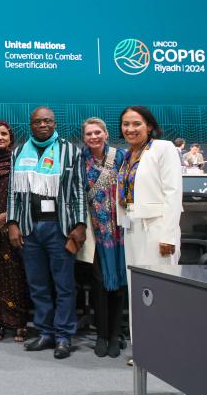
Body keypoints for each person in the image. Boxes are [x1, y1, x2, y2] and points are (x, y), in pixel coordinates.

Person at [7, 107, 86, 360]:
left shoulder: (70, 151)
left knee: (64, 286)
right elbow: (12, 192)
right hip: (30, 228)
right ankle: (45, 332)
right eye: (38, 121)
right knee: (38, 285)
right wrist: (12, 223)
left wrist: (80, 224)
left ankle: (63, 335)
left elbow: (80, 190)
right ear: (30, 125)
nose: (43, 124)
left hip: (60, 228)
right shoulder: (18, 153)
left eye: (48, 121)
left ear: (55, 123)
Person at [116, 106, 182, 363]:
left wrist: (167, 237)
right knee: (139, 292)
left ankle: (167, 350)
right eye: (125, 124)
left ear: (149, 126)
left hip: (156, 231)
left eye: (136, 124)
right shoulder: (129, 154)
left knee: (161, 290)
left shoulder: (162, 148)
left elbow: (173, 193)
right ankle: (143, 349)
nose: (130, 129)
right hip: (132, 229)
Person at [79, 117, 127, 358]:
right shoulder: (80, 160)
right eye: (89, 134)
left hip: (121, 233)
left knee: (119, 285)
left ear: (106, 134)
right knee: (99, 284)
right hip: (94, 234)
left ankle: (116, 334)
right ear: (84, 138)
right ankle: (101, 334)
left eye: (98, 132)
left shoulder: (120, 157)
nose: (94, 137)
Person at [0, 120, 29, 343]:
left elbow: (24, 191)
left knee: (16, 272)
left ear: (10, 137)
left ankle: (19, 323)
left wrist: (8, 215)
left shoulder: (19, 160)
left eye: (4, 134)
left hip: (13, 224)